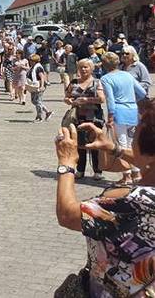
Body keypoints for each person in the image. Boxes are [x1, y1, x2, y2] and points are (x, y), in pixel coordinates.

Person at [54, 103, 155, 297]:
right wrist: (113, 148)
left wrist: (66, 163)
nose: (133, 136)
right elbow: (146, 160)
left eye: (136, 132)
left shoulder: (132, 201)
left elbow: (67, 215)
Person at [101, 52, 148, 185]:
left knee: (121, 144)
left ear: (104, 65)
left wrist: (110, 116)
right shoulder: (127, 75)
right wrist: (132, 99)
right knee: (132, 143)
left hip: (119, 111)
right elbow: (142, 92)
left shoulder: (106, 78)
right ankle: (136, 173)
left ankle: (126, 175)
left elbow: (110, 99)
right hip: (132, 110)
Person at [63, 59, 105, 180]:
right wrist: (70, 101)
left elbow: (102, 99)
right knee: (79, 144)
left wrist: (87, 100)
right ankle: (80, 170)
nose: (83, 69)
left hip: (94, 117)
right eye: (81, 67)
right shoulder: (74, 82)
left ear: (91, 69)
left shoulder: (96, 82)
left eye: (86, 67)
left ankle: (97, 171)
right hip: (77, 117)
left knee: (94, 145)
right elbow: (66, 97)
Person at [27, 54, 53, 123]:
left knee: (38, 101)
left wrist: (42, 86)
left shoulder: (38, 67)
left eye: (31, 60)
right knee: (34, 101)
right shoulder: (33, 67)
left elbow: (42, 77)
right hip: (34, 86)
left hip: (39, 86)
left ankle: (39, 117)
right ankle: (48, 112)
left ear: (34, 61)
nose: (30, 61)